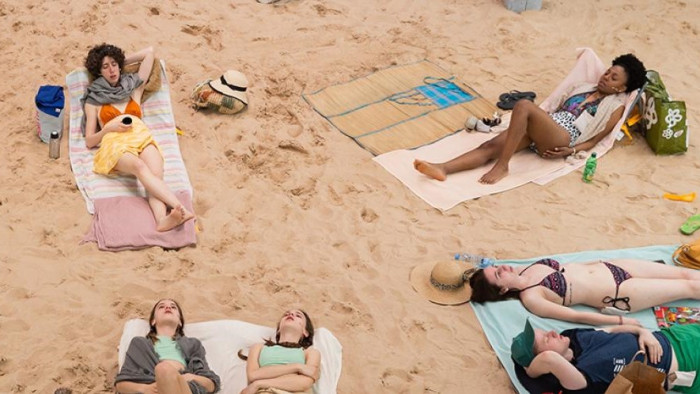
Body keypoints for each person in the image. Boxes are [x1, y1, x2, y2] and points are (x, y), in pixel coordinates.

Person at [413, 53, 646, 184]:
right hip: (546, 127)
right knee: (491, 145)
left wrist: (571, 151)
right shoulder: (583, 87)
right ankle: (443, 168)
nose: (606, 77)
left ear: (621, 88)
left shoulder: (614, 107)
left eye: (613, 78)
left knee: (524, 105)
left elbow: (596, 139)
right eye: (607, 71)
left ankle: (502, 166)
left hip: (562, 137)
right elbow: (553, 108)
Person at [83, 43, 194, 232]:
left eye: (114, 64)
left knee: (156, 176)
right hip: (115, 142)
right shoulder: (94, 100)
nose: (111, 70)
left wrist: (119, 61)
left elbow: (149, 53)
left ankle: (162, 220)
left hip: (141, 137)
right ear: (98, 72)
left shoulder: (133, 88)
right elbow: (89, 141)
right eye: (105, 66)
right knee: (140, 167)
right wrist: (107, 129)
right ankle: (180, 208)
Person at [468, 258, 700, 326]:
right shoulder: (532, 298)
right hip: (621, 292)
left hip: (613, 266)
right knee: (688, 287)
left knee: (685, 274)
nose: (502, 268)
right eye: (499, 274)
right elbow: (576, 316)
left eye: (497, 267)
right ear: (503, 289)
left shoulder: (522, 268)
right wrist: (620, 321)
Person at [511, 318, 700, 393]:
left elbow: (613, 329)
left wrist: (643, 332)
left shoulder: (575, 336)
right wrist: (529, 369)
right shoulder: (577, 379)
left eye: (544, 331)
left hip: (674, 336)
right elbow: (548, 360)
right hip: (687, 363)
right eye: (545, 339)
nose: (551, 332)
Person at [115, 299, 220, 394]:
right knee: (163, 369)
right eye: (161, 306)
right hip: (152, 388)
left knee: (163, 369)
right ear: (153, 321)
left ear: (179, 321)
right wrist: (145, 389)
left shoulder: (193, 344)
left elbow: (211, 384)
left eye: (173, 307)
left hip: (184, 388)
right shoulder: (140, 344)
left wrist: (190, 377)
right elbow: (121, 384)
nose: (168, 307)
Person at [239, 309, 321, 394]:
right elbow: (253, 375)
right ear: (278, 329)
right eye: (286, 314)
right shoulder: (258, 348)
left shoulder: (310, 352)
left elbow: (305, 383)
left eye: (298, 315)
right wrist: (297, 367)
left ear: (305, 331)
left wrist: (259, 383)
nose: (291, 314)